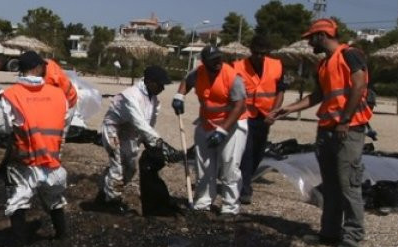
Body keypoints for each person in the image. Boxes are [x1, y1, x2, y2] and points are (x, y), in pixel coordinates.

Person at [268, 19, 372, 247]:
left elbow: (358, 86)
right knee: (332, 184)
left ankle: (353, 234)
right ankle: (329, 232)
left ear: (322, 36)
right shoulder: (324, 65)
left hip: (348, 129)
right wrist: (289, 109)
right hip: (327, 128)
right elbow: (319, 95)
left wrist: (345, 120)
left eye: (310, 38)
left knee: (348, 183)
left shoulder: (350, 55)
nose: (308, 42)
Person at [0, 51, 71, 244]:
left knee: (19, 199)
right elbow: (65, 121)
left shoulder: (11, 95)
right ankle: (62, 236)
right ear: (37, 68)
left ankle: (19, 245)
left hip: (25, 160)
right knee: (54, 198)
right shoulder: (58, 94)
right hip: (52, 159)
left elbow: (3, 127)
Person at [173, 45, 247, 216]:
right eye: (213, 61)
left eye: (219, 59)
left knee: (229, 165)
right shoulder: (198, 73)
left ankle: (230, 206)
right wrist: (179, 96)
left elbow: (240, 107)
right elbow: (186, 82)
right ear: (204, 62)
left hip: (233, 125)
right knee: (204, 165)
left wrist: (222, 131)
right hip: (206, 123)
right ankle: (204, 201)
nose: (218, 63)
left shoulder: (232, 77)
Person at [97, 66, 174, 212]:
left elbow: (149, 123)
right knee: (117, 166)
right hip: (113, 127)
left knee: (130, 168)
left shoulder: (154, 101)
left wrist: (150, 141)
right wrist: (158, 142)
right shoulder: (131, 96)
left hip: (130, 131)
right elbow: (140, 122)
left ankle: (105, 191)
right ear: (149, 81)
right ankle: (112, 202)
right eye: (160, 84)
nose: (163, 88)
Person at [235, 34, 284, 204]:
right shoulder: (238, 67)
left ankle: (246, 180)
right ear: (251, 51)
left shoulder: (276, 66)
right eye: (256, 53)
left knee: (258, 152)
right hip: (245, 115)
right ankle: (245, 188)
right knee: (246, 153)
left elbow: (280, 91)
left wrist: (275, 111)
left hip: (265, 116)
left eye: (263, 53)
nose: (260, 56)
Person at [43, 57, 81, 131]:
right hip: (67, 96)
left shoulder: (49, 75)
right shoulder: (48, 66)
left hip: (68, 99)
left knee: (58, 129)